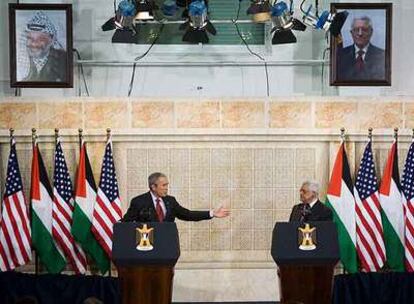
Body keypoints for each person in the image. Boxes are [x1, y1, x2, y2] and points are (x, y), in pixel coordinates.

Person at [122, 172, 230, 222]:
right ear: (153, 187)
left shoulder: (170, 201)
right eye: (163, 185)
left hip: (168, 246)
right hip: (147, 247)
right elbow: (126, 223)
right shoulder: (139, 202)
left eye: (167, 185)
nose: (166, 188)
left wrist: (211, 213)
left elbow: (187, 214)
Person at [21, 11, 67, 82]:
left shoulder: (64, 60)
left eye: (40, 39)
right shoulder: (21, 60)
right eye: (30, 38)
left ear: (51, 40)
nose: (34, 43)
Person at [337, 16, 385, 81]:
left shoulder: (382, 55)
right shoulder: (340, 55)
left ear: (371, 32)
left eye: (364, 30)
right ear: (351, 33)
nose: (360, 33)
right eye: (356, 30)